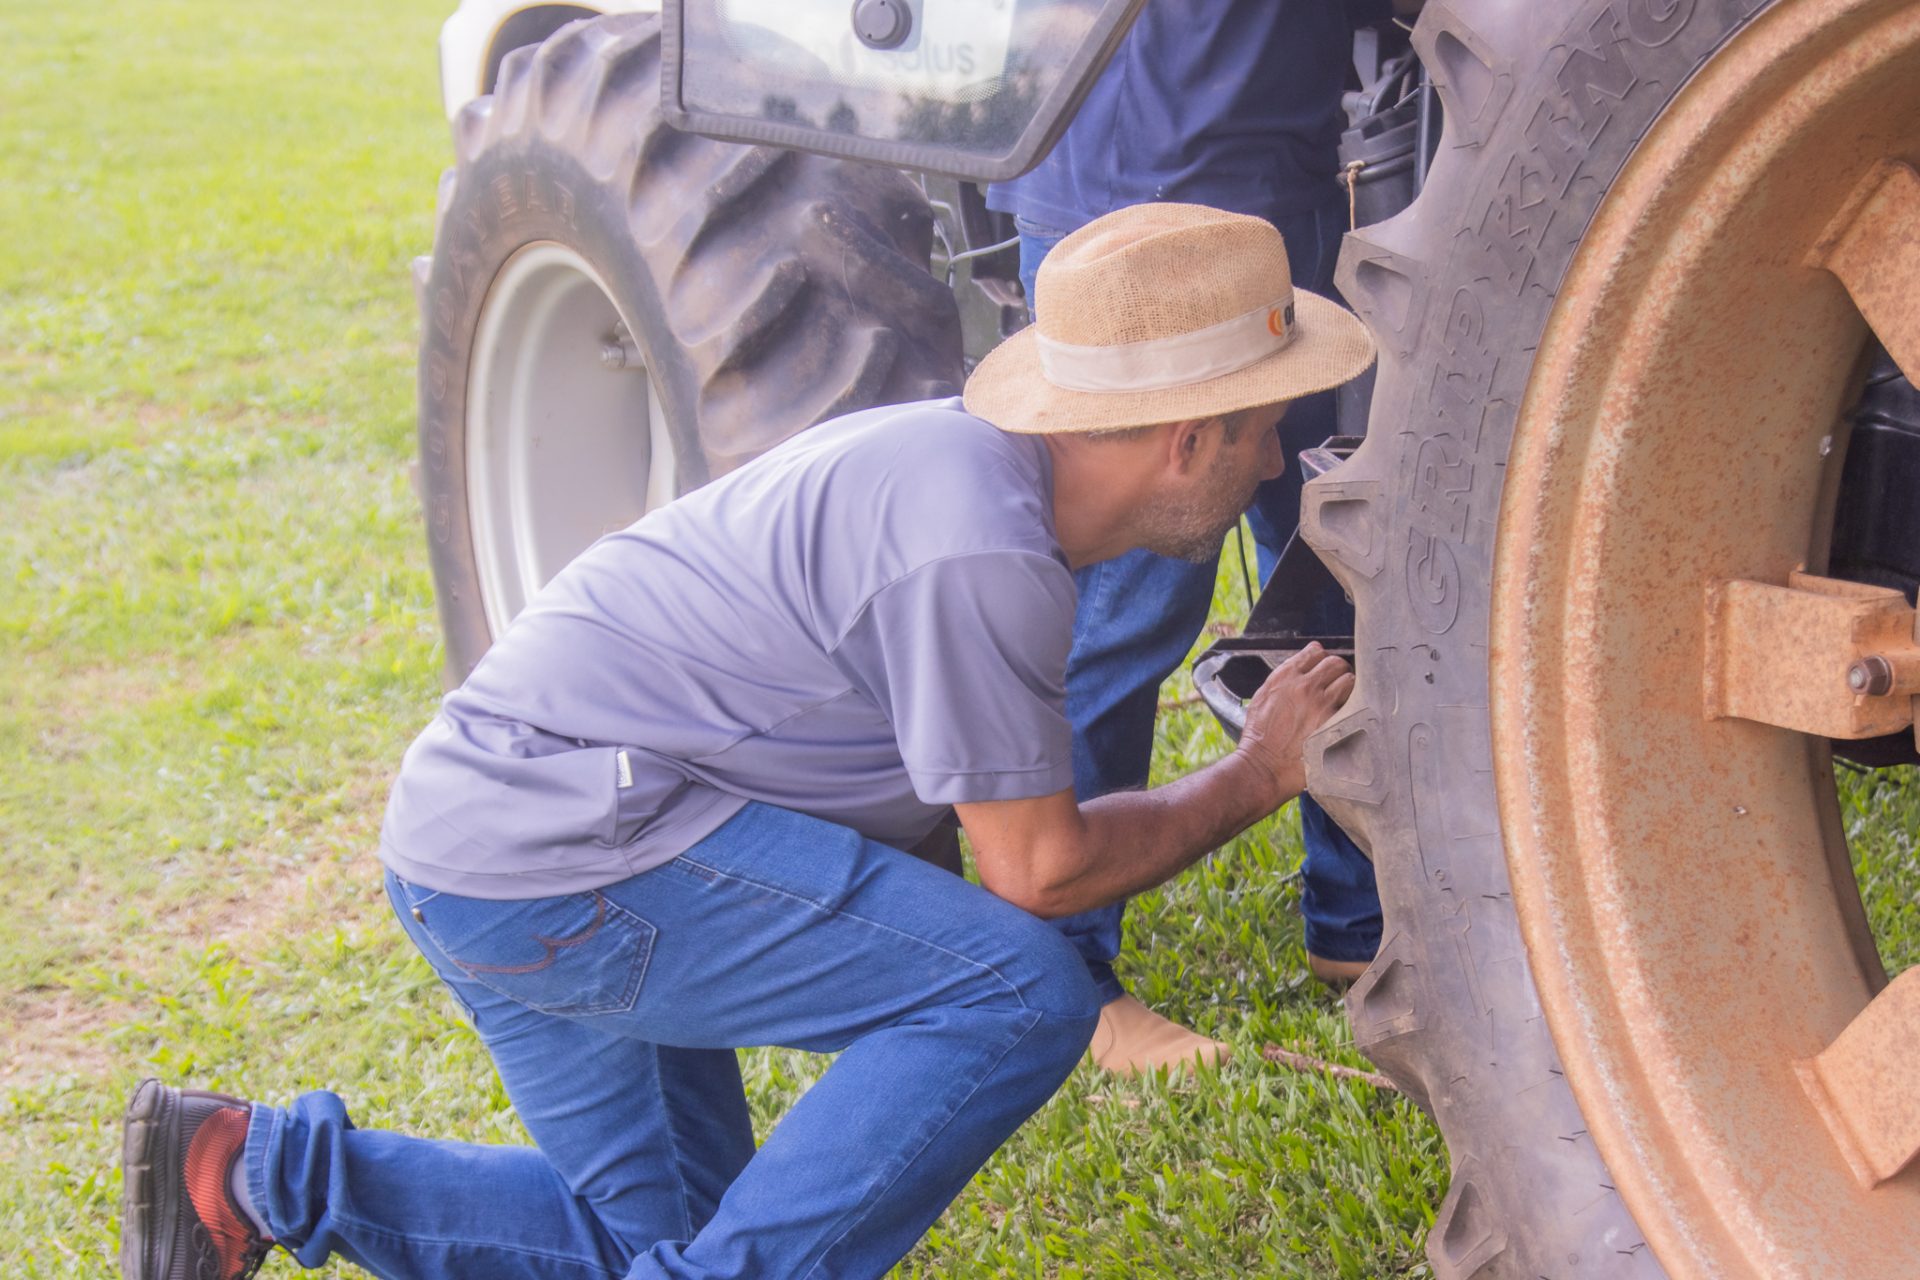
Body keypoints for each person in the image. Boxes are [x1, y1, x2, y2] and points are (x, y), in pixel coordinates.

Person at [119, 203, 1375, 1280]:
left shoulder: (964, 472)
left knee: (664, 1235)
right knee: (1017, 989)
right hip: (569, 855)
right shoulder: (981, 548)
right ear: (1187, 436)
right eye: (1265, 425)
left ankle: (238, 1168)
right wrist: (1256, 773)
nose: (1274, 455)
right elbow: (1034, 874)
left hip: (484, 843)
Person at [988, 0, 1386, 1074]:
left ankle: (1357, 916)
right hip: (1143, 204)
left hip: (1263, 185)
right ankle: (1063, 974)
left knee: (1334, 556)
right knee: (1131, 600)